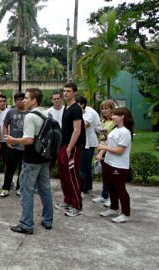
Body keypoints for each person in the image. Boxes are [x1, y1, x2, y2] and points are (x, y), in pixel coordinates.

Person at [6, 88, 54, 234]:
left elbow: (28, 139)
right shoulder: (48, 113)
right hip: (44, 157)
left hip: (31, 159)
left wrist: (13, 140)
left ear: (34, 100)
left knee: (26, 191)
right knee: (45, 189)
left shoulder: (30, 117)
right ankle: (48, 220)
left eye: (27, 98)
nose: (24, 100)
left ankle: (26, 224)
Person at [96, 107, 134, 223]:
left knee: (120, 189)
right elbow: (107, 142)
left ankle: (125, 213)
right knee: (110, 187)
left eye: (115, 115)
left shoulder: (125, 132)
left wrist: (104, 148)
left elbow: (120, 150)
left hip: (119, 166)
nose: (112, 117)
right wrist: (101, 154)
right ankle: (114, 208)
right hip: (108, 162)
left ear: (122, 117)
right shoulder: (115, 129)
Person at [56, 82, 86, 217]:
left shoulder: (76, 109)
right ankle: (67, 200)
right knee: (64, 175)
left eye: (68, 91)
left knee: (72, 175)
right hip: (64, 145)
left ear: (74, 92)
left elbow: (77, 130)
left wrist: (69, 148)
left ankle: (77, 205)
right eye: (64, 91)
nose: (65, 93)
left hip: (72, 147)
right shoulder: (66, 108)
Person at [0, 92, 29, 197]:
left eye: (21, 99)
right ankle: (5, 188)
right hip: (13, 146)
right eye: (17, 100)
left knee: (23, 169)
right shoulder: (11, 112)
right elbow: (5, 125)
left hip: (25, 146)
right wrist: (7, 140)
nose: (19, 101)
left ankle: (19, 188)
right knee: (10, 168)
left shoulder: (29, 112)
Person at [92, 100, 116, 207]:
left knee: (111, 176)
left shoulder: (113, 123)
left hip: (109, 151)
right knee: (105, 175)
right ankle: (104, 195)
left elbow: (108, 140)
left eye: (107, 108)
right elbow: (101, 137)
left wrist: (102, 152)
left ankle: (112, 197)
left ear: (112, 110)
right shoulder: (103, 121)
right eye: (103, 108)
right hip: (102, 149)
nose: (104, 110)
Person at [75, 96, 101, 194]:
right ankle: (88, 187)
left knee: (82, 167)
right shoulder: (83, 111)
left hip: (88, 143)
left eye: (76, 103)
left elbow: (86, 124)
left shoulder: (89, 112)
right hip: (86, 142)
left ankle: (83, 189)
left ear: (82, 104)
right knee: (86, 167)